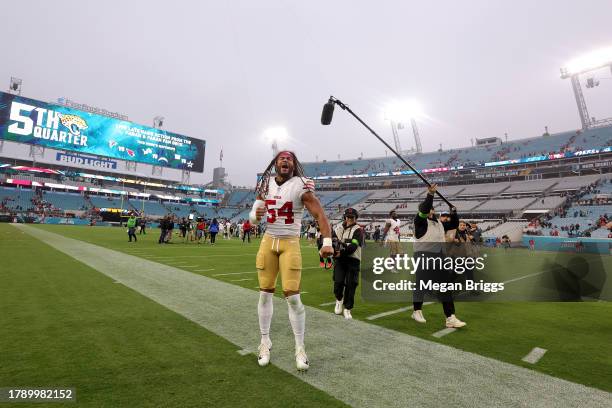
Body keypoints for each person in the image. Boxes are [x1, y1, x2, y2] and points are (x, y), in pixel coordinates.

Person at [250, 151, 333, 371]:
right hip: (269, 241)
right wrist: (254, 215)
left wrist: (327, 242)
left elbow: (319, 215)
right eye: (281, 158)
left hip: (290, 242)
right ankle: (265, 342)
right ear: (276, 163)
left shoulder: (301, 185)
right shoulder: (265, 183)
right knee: (264, 293)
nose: (285, 160)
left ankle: (300, 347)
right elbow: (254, 211)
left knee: (293, 298)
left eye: (289, 159)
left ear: (294, 165)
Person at [412, 184, 466, 328]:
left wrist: (454, 212)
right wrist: (430, 194)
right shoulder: (420, 222)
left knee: (445, 287)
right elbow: (424, 209)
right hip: (423, 256)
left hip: (439, 258)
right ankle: (417, 310)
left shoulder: (439, 224)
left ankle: (450, 317)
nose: (430, 211)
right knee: (421, 285)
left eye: (431, 209)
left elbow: (454, 223)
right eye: (427, 209)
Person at [332, 208, 364, 319]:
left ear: (355, 218)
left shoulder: (358, 230)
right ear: (344, 217)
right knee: (338, 282)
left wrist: (340, 252)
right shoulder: (337, 228)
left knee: (351, 284)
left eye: (352, 217)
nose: (350, 219)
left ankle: (347, 308)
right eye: (348, 217)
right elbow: (333, 242)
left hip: (353, 260)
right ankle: (339, 300)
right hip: (340, 260)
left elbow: (353, 247)